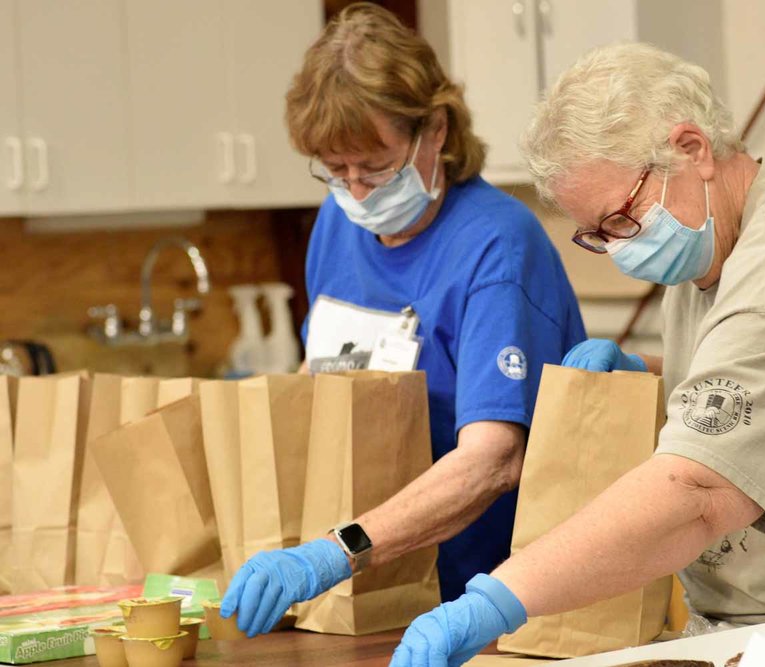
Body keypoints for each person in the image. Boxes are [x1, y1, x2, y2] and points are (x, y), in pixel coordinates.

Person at [389, 42, 765, 666]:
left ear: (692, 150)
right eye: (596, 236)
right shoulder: (713, 246)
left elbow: (696, 493)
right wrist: (652, 377)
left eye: (621, 221)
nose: (622, 251)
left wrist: (498, 598)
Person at [219, 3, 585, 638]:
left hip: (483, 604)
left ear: (435, 130)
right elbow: (322, 376)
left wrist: (331, 552)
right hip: (361, 594)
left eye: (378, 166)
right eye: (337, 172)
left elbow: (493, 460)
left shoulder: (497, 247)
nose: (358, 193)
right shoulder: (338, 224)